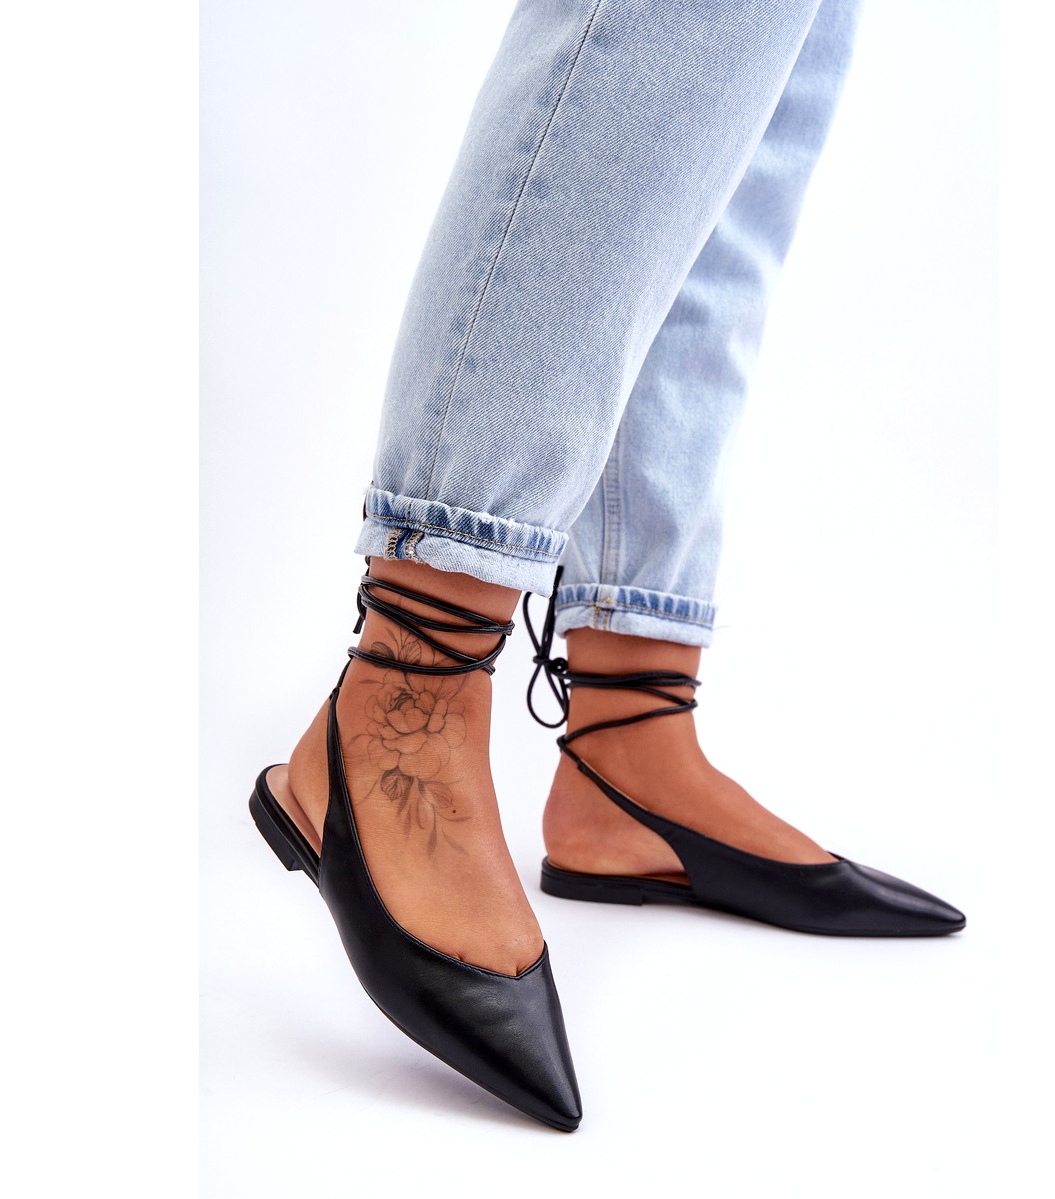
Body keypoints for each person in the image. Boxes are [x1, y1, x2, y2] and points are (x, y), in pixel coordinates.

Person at [248, 0, 965, 1133]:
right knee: (666, 25)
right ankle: (404, 686)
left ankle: (630, 740)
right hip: (409, 679)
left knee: (738, 129)